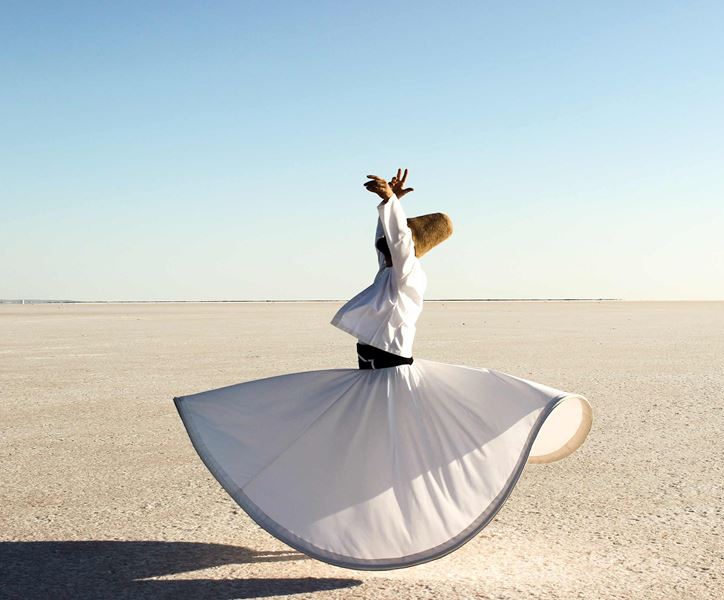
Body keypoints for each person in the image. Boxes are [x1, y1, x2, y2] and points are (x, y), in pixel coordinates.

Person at [174, 169, 592, 570]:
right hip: (370, 383)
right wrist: (386, 212)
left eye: (395, 242)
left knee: (392, 462)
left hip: (391, 385)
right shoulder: (387, 277)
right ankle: (351, 529)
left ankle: (399, 532)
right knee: (352, 458)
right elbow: (389, 243)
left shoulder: (407, 277)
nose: (385, 248)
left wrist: (390, 205)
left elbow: (399, 246)